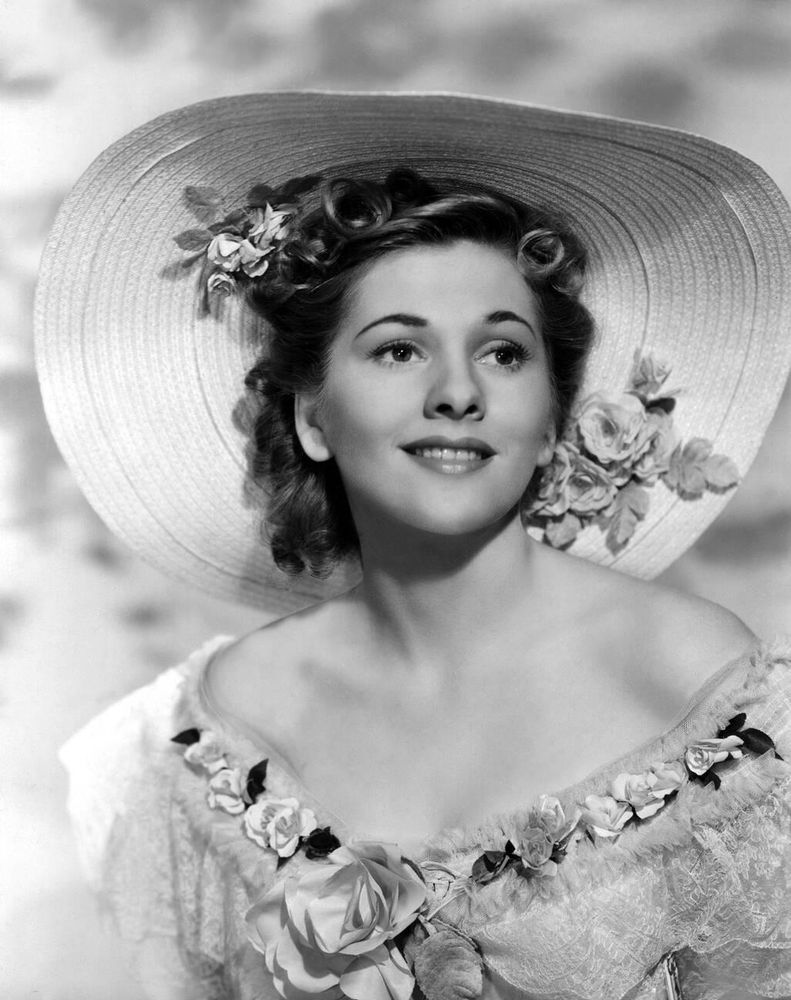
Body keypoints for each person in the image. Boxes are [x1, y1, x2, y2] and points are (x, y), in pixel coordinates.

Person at [36, 92, 791, 1000]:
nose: (457, 393)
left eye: (504, 354)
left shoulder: (697, 689)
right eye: (398, 350)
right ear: (313, 417)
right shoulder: (205, 737)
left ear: (551, 422)